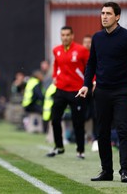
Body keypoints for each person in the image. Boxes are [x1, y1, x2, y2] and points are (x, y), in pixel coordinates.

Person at [78, 2, 127, 183]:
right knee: (103, 132)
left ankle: (125, 171)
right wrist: (86, 84)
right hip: (102, 92)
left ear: (117, 16)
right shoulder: (97, 38)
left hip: (122, 92)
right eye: (102, 13)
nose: (104, 16)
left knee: (123, 130)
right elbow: (91, 64)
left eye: (108, 14)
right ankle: (106, 171)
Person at [46, 26, 89, 159]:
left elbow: (90, 67)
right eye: (63, 35)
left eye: (67, 35)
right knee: (55, 119)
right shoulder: (56, 50)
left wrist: (90, 82)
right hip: (61, 89)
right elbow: (56, 65)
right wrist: (54, 76)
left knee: (78, 122)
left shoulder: (81, 50)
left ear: (72, 36)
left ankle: (80, 150)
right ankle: (59, 146)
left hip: (76, 90)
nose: (65, 37)